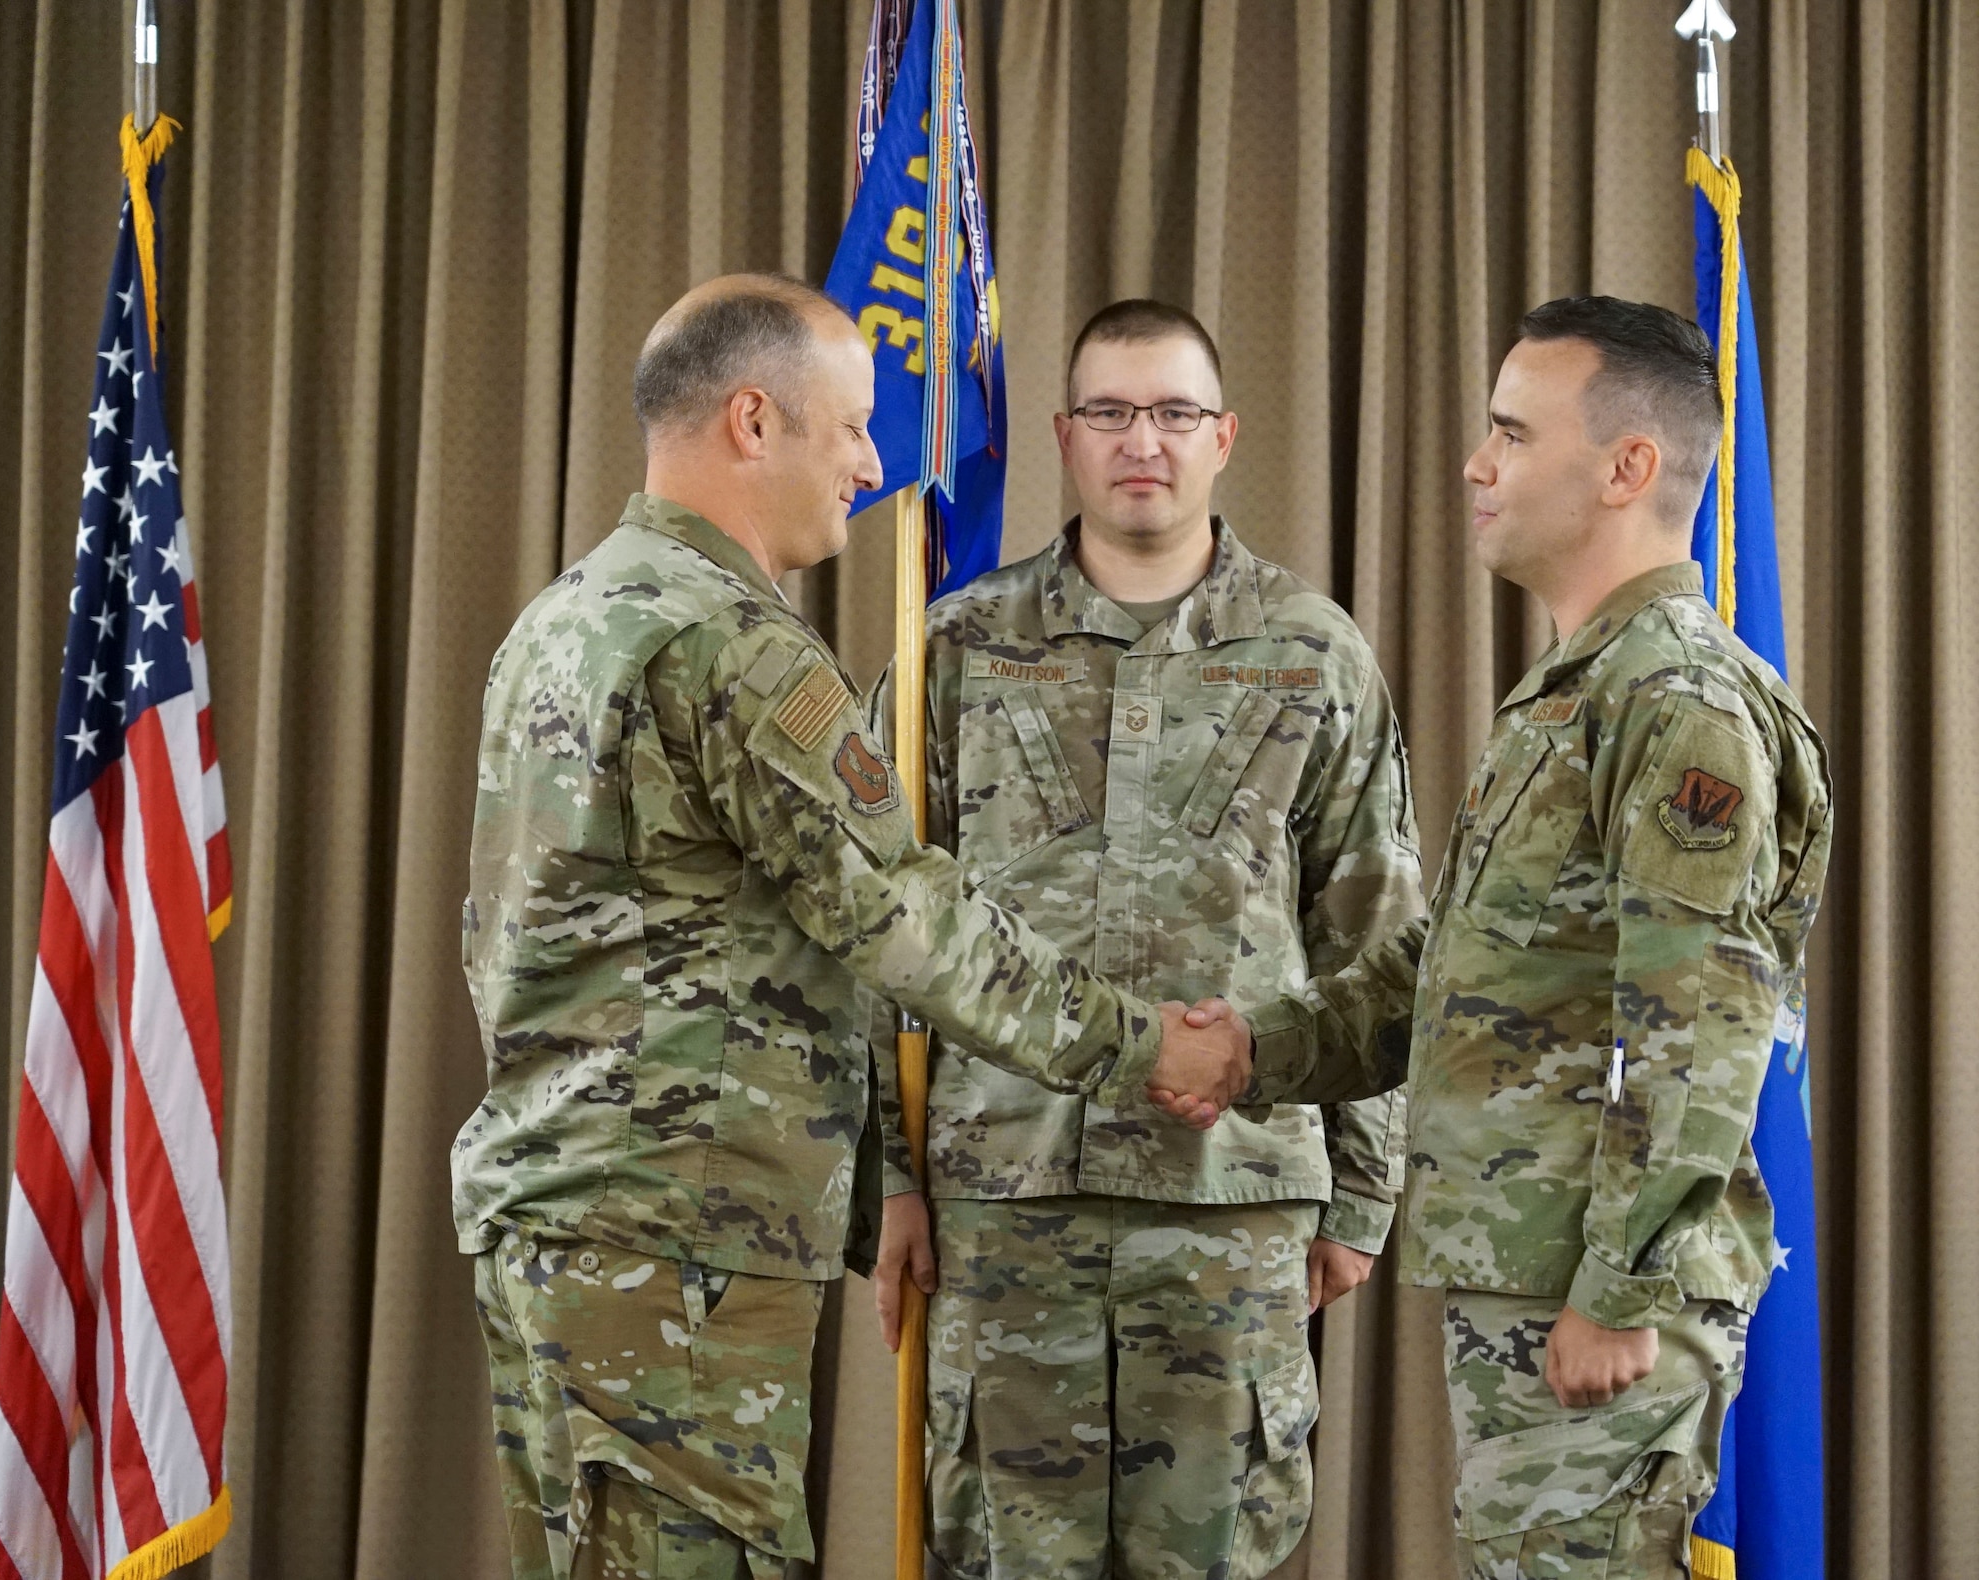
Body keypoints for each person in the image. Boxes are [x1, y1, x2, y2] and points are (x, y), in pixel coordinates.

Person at [451, 273, 1251, 1580]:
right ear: (753, 422)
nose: (877, 466)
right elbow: (900, 916)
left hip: (565, 1214)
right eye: (854, 427)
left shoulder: (565, 619)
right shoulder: (730, 646)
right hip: (678, 1243)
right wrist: (1144, 1046)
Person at [1163, 296, 1833, 1578]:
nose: (1475, 464)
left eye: (1510, 433)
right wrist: (1253, 1050)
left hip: (1591, 1293)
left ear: (1625, 467)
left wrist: (1620, 1289)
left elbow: (1696, 1018)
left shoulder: (1673, 701)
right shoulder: (1570, 695)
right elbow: (1445, 979)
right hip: (1529, 1273)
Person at [868, 299, 1425, 1580]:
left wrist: (1360, 1192)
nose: (1143, 442)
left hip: (1229, 1201)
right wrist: (885, 1177)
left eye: (1174, 412)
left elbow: (1376, 935)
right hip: (1002, 1195)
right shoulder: (952, 645)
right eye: (1111, 411)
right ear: (1063, 435)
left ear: (1223, 435)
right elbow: (870, 926)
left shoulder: (1311, 653)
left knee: (1214, 1556)